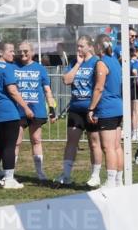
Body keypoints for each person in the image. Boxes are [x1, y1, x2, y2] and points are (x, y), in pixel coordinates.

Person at [0, 42, 34, 189]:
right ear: (0, 52)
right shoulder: (7, 68)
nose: (14, 54)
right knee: (9, 146)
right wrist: (25, 108)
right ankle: (9, 179)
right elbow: (12, 90)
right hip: (8, 112)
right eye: (11, 51)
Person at [57, 36, 103, 186]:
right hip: (76, 108)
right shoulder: (74, 62)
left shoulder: (96, 62)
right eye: (77, 46)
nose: (79, 49)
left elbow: (99, 85)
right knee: (71, 141)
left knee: (94, 143)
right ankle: (66, 174)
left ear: (90, 47)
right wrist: (77, 64)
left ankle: (95, 175)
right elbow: (66, 80)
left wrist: (93, 108)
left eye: (82, 46)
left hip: (91, 109)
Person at [13, 42, 57, 181]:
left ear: (32, 52)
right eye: (20, 51)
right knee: (16, 141)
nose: (23, 54)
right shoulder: (13, 67)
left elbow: (47, 90)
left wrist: (52, 108)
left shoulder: (40, 69)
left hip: (36, 109)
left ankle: (40, 172)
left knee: (36, 140)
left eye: (26, 51)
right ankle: (10, 173)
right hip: (18, 110)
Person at [87, 35, 125, 189]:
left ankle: (110, 181)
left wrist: (91, 108)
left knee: (108, 147)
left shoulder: (101, 63)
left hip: (107, 108)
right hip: (117, 107)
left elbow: (99, 87)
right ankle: (118, 181)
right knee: (116, 146)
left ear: (98, 47)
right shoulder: (115, 61)